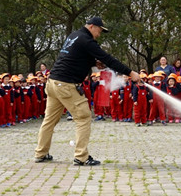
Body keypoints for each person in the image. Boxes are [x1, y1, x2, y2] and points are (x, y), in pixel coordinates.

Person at [33, 17, 140, 166]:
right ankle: (81, 157)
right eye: (99, 30)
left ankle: (40, 153)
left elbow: (75, 56)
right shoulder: (87, 40)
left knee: (49, 120)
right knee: (83, 117)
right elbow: (108, 58)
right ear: (91, 26)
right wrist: (130, 72)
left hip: (53, 83)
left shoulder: (74, 36)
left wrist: (94, 63)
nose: (99, 34)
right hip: (66, 84)